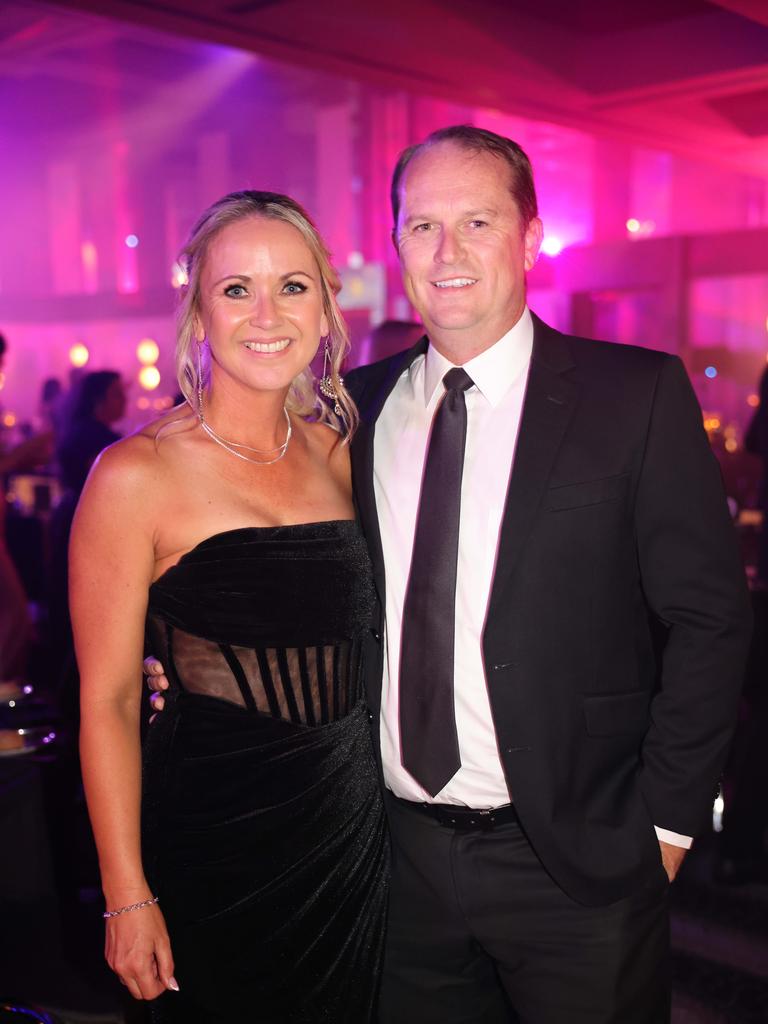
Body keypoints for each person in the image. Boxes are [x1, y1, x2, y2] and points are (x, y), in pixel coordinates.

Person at [146, 126, 752, 1023]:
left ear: (531, 236)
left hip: (576, 857)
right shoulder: (353, 411)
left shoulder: (637, 395)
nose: (448, 251)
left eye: (476, 221)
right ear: (395, 248)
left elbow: (712, 618)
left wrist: (666, 823)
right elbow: (279, 570)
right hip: (392, 857)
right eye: (422, 226)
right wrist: (184, 665)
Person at [71, 191, 388, 1021]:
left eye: (292, 285)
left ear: (325, 309)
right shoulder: (135, 475)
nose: (266, 313)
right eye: (235, 288)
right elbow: (105, 701)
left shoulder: (344, 453)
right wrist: (126, 894)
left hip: (352, 828)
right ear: (199, 311)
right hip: (217, 832)